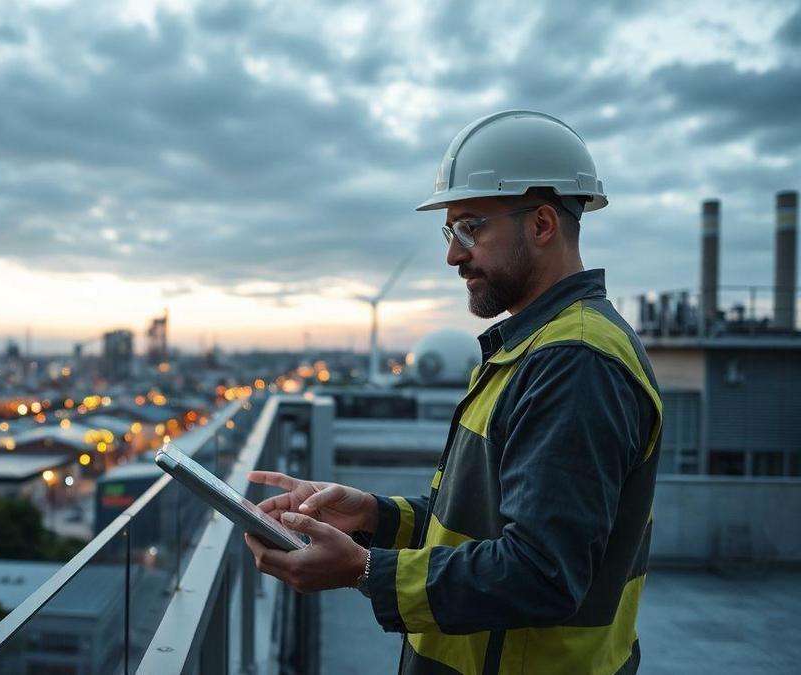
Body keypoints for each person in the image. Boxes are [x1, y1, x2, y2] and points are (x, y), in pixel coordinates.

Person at [243, 110, 662, 674]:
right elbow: (478, 525)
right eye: (450, 231)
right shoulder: (531, 348)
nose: (453, 254)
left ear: (541, 225)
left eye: (470, 227)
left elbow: (543, 573)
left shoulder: (575, 362)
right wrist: (369, 514)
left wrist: (365, 570)